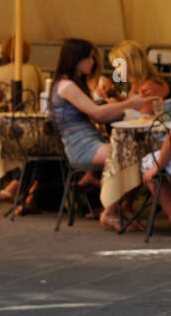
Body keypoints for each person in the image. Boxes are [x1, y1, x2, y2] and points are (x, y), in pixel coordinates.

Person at [48, 38, 151, 231]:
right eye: (89, 57)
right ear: (76, 59)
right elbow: (96, 113)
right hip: (82, 147)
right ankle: (111, 210)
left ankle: (118, 204)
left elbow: (100, 116)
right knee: (136, 157)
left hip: (90, 142)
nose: (93, 62)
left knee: (139, 156)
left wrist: (118, 105)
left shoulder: (74, 84)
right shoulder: (66, 86)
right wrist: (129, 104)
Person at [107, 39, 170, 107]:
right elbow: (131, 101)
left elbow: (144, 114)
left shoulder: (149, 86)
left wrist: (117, 107)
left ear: (130, 65)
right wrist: (116, 96)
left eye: (117, 66)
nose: (115, 71)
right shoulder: (136, 83)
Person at [0, 35, 44, 104]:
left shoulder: (0, 71)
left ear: (5, 51)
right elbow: (42, 95)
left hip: (7, 113)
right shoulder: (35, 70)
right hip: (33, 113)